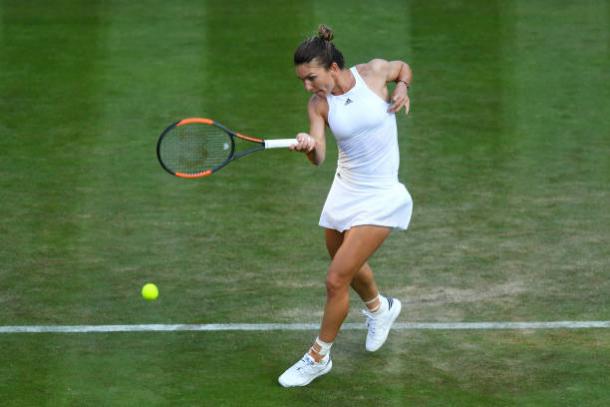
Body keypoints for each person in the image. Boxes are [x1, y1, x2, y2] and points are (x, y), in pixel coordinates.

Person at [278, 25, 414, 387]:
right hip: (345, 190)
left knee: (336, 277)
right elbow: (320, 156)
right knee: (347, 266)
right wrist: (309, 145)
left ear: (332, 68)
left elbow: (403, 69)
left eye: (311, 78)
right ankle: (380, 309)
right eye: (303, 81)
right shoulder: (319, 104)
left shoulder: (373, 72)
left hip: (382, 194)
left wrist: (402, 87)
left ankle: (319, 355)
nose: (307, 86)